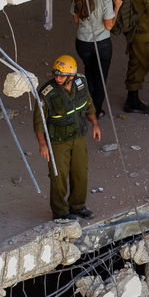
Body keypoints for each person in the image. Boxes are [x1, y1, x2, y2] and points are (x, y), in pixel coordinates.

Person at [34, 54, 102, 222]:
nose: (57, 78)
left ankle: (78, 206)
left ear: (71, 76)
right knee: (58, 177)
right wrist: (42, 144)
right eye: (55, 74)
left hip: (78, 137)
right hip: (58, 141)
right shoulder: (46, 93)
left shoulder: (81, 83)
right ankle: (60, 212)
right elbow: (38, 121)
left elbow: (88, 103)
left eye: (61, 75)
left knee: (80, 173)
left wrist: (94, 124)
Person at [72, 0, 120, 118]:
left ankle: (87, 105)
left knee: (89, 73)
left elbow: (75, 20)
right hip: (101, 43)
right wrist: (117, 7)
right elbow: (109, 26)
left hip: (82, 42)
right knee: (100, 78)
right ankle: (96, 110)